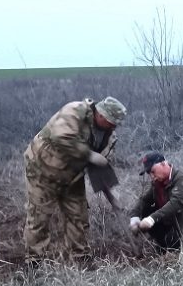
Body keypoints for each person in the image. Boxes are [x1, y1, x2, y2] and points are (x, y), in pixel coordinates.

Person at [23, 96, 127, 263]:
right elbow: (61, 137)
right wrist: (89, 154)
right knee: (39, 217)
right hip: (43, 172)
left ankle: (81, 257)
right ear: (100, 114)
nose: (114, 126)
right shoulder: (75, 111)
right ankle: (34, 261)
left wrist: (112, 194)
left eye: (116, 123)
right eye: (112, 121)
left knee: (78, 216)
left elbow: (100, 165)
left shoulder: (109, 137)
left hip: (73, 176)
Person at [129, 151, 183, 252]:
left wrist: (151, 219)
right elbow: (144, 200)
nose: (152, 176)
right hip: (172, 226)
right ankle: (164, 246)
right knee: (146, 210)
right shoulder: (157, 183)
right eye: (149, 174)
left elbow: (176, 203)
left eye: (153, 171)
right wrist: (134, 217)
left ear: (163, 164)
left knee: (178, 209)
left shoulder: (182, 180)